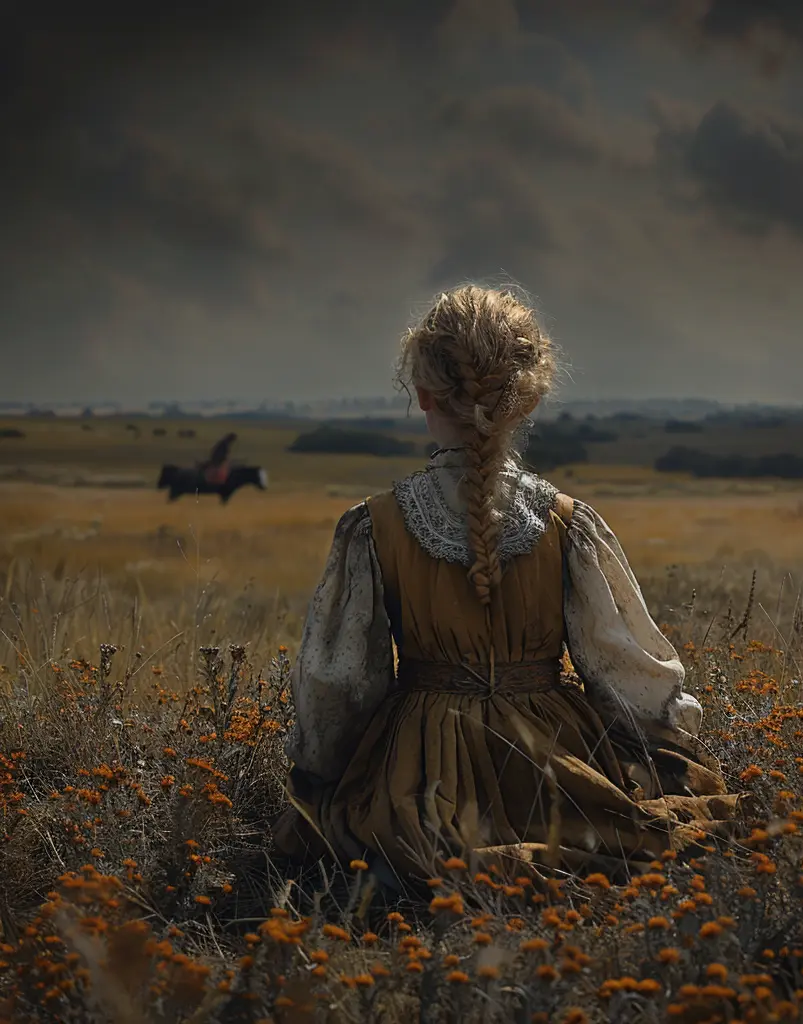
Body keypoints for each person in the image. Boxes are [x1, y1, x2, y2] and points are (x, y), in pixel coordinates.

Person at [275, 286, 742, 885]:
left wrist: (325, 776)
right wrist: (665, 756)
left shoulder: (374, 525)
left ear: (422, 393)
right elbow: (625, 671)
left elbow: (338, 684)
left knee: (398, 850)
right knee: (603, 829)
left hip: (422, 771)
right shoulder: (569, 523)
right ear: (528, 399)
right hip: (554, 757)